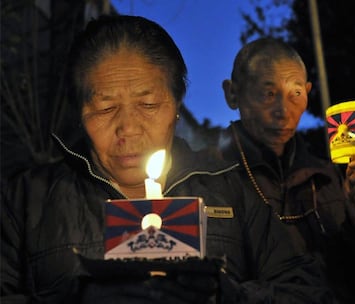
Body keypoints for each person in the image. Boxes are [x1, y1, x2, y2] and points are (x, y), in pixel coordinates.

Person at [1, 16, 335, 304]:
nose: (128, 129)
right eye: (105, 108)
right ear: (79, 111)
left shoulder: (231, 190)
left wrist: (225, 294)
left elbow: (308, 291)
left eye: (148, 105)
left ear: (177, 106)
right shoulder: (26, 200)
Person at [219, 37, 355, 304]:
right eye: (268, 93)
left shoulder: (327, 178)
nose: (283, 111)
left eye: (295, 94)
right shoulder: (208, 176)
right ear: (232, 94)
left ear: (308, 90)